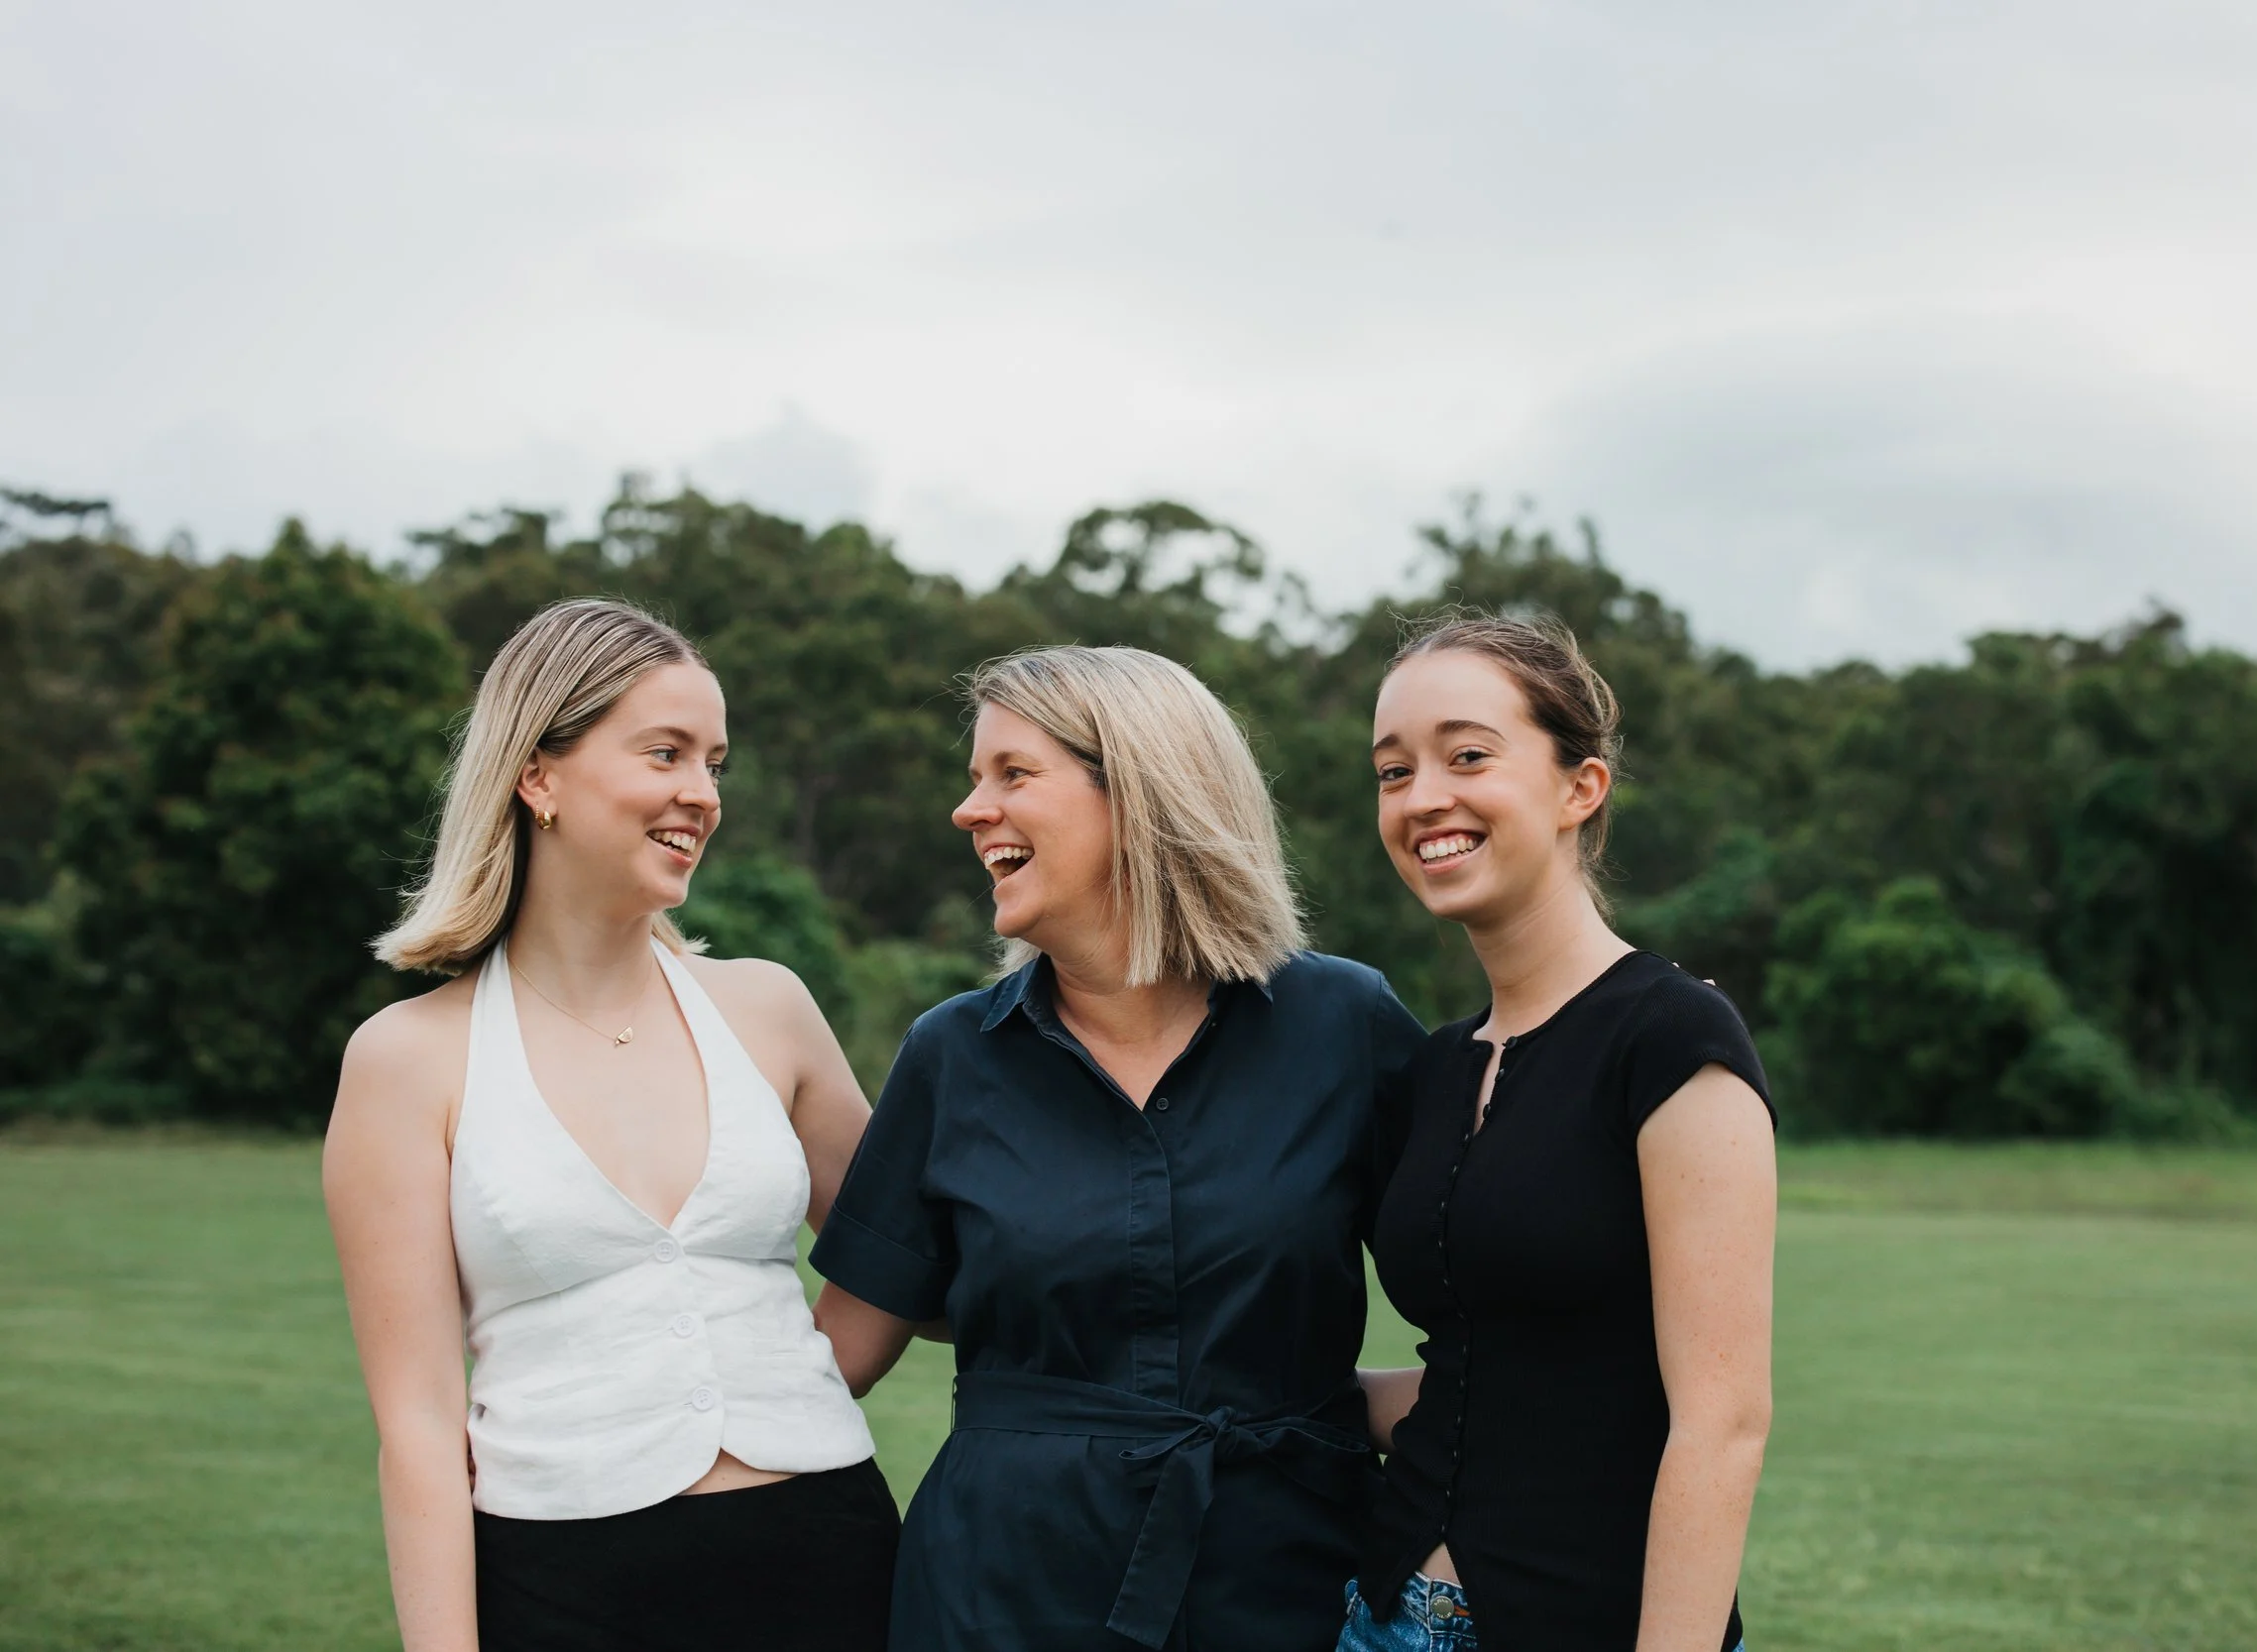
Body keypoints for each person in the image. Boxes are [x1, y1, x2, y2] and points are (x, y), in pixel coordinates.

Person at [810, 644, 1429, 1652]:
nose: (970, 810)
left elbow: (1487, 1295)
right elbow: (832, 1360)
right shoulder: (951, 1056)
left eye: (1013, 773)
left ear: (1139, 792)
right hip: (995, 1596)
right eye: (976, 778)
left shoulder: (1343, 1023)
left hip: (1288, 1584)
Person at [323, 598, 899, 1652]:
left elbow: (907, 1249)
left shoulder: (767, 1008)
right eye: (666, 752)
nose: (702, 793)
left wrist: (793, 1371)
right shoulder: (406, 1060)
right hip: (562, 1589)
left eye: (715, 760)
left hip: (828, 1555)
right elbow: (415, 1425)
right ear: (537, 774)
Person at [1345, 615, 1775, 1652]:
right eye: (1392, 770)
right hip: (1379, 1612)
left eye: (1467, 755)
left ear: (1580, 787)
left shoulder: (1672, 1037)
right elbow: (1490, 1370)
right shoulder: (1434, 1066)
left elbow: (1719, 1425)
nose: (1422, 797)